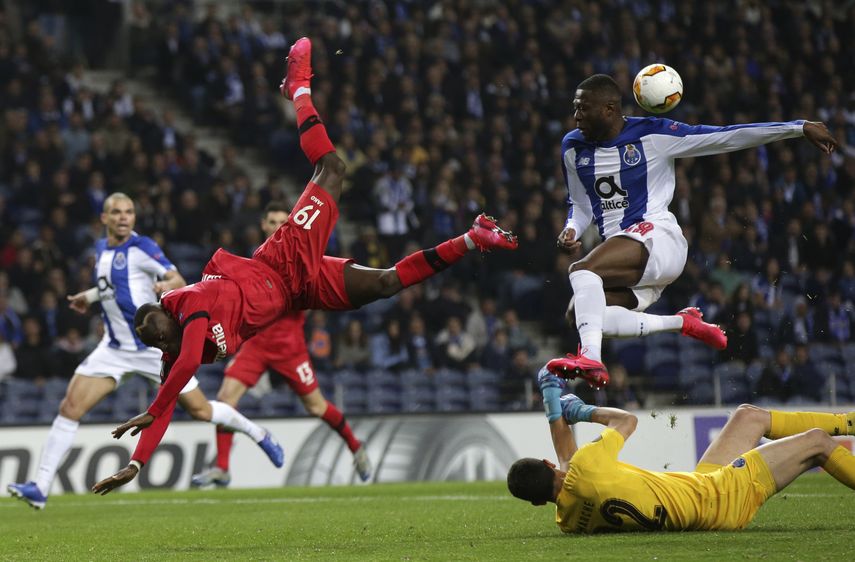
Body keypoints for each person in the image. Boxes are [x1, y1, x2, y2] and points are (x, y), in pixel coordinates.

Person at [91, 37, 517, 495]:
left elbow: (187, 364)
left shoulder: (187, 305)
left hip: (282, 261)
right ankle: (473, 237)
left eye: (158, 330)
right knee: (388, 284)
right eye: (156, 341)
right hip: (299, 291)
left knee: (332, 168)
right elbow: (174, 388)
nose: (161, 339)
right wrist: (136, 463)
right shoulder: (174, 352)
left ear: (164, 312)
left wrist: (153, 407)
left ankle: (298, 87)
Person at [547, 74, 838, 385]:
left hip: (658, 239)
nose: (575, 115)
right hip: (630, 261)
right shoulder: (573, 147)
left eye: (583, 108)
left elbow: (726, 136)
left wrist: (796, 127)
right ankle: (681, 323)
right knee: (579, 313)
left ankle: (591, 359)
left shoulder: (654, 135)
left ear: (608, 109)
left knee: (582, 271)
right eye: (574, 108)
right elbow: (580, 205)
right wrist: (571, 230)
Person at [7, 193, 282, 510]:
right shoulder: (101, 249)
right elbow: (112, 285)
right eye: (117, 212)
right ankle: (40, 487)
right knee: (70, 407)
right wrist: (90, 296)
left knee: (200, 411)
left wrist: (167, 285)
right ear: (105, 219)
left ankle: (258, 433)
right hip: (113, 348)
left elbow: (175, 276)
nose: (124, 217)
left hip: (153, 350)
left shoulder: (143, 248)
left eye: (129, 212)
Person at [506, 367, 855, 533]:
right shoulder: (584, 468)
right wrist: (581, 411)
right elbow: (626, 422)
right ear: (547, 463)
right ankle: (848, 423)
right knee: (818, 441)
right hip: (721, 496)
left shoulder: (569, 520)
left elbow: (567, 462)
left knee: (749, 417)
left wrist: (552, 401)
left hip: (700, 487)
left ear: (538, 502)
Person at [191, 202, 372, 488]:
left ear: (289, 225)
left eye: (281, 222)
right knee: (226, 398)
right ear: (263, 225)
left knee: (316, 406)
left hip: (290, 347)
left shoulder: (301, 260)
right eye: (272, 221)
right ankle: (223, 467)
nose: (277, 227)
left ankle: (355, 446)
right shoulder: (257, 258)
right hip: (257, 344)